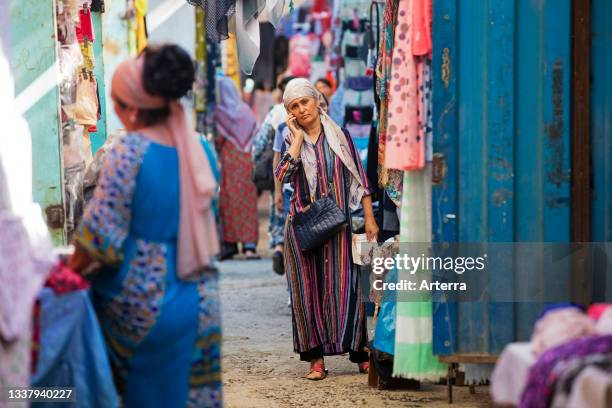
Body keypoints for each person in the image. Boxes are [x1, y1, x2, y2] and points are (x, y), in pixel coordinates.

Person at [69, 44, 223, 407]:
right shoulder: (202, 152)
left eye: (117, 105)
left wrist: (64, 278)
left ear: (132, 109)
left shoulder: (127, 153)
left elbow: (98, 241)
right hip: (200, 298)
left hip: (143, 298)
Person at [275, 78, 379, 380]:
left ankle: (360, 354)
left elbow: (359, 178)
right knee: (308, 292)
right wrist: (295, 138)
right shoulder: (288, 139)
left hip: (337, 225)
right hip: (303, 228)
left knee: (345, 286)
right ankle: (316, 361)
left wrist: (370, 218)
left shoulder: (340, 135)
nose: (301, 109)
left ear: (316, 100)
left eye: (304, 102)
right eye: (294, 107)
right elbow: (283, 174)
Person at [252, 76, 295, 274]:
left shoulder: (276, 112)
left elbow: (260, 141)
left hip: (278, 173)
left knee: (277, 207)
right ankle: (289, 252)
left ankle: (279, 247)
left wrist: (256, 159)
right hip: (299, 176)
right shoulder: (308, 111)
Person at [214, 77, 260, 260]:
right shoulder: (245, 111)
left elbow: (218, 139)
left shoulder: (220, 113)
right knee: (248, 203)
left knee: (228, 201)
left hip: (229, 161)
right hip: (247, 160)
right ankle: (249, 245)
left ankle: (230, 242)